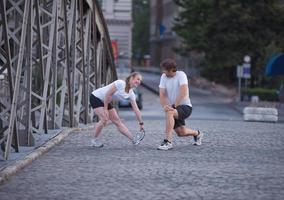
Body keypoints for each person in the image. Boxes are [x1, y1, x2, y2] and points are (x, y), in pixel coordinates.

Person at [157, 58, 203, 150]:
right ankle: (197, 134)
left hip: (185, 107)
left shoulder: (181, 75)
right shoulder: (163, 77)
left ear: (171, 70)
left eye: (165, 70)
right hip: (174, 108)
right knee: (181, 132)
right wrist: (165, 106)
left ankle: (168, 142)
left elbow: (183, 91)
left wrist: (173, 106)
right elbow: (162, 93)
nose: (163, 71)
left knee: (170, 112)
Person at [89, 72, 145, 147]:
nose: (139, 82)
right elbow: (108, 94)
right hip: (96, 97)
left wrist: (141, 123)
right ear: (132, 78)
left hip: (106, 100)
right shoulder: (120, 83)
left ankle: (133, 140)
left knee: (117, 121)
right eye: (137, 79)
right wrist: (105, 109)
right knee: (104, 119)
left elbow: (136, 110)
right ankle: (94, 140)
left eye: (140, 80)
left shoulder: (131, 94)